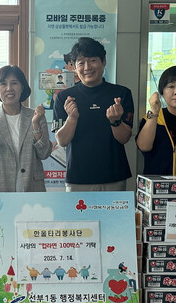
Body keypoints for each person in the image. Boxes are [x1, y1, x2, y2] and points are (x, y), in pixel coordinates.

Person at [53, 37, 133, 191]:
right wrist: (72, 118)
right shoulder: (64, 98)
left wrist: (115, 121)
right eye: (81, 63)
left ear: (104, 61)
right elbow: (62, 141)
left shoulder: (122, 94)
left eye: (93, 60)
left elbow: (124, 138)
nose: (87, 67)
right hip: (78, 177)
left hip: (114, 176)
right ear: (74, 67)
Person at [0, 65, 51, 192]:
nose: (9, 88)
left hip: (32, 188)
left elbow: (44, 153)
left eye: (14, 83)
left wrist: (35, 125)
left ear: (22, 87)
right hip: (0, 189)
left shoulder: (36, 116)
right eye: (3, 84)